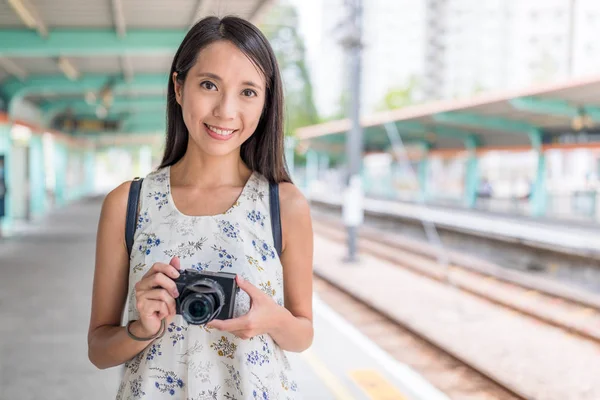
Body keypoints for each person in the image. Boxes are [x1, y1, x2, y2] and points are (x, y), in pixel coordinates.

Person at [88, 16, 314, 399]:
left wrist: (271, 320)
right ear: (178, 87)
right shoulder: (128, 203)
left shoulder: (284, 204)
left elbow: (302, 334)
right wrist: (142, 328)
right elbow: (99, 350)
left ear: (265, 102)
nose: (225, 110)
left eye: (248, 92)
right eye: (209, 85)